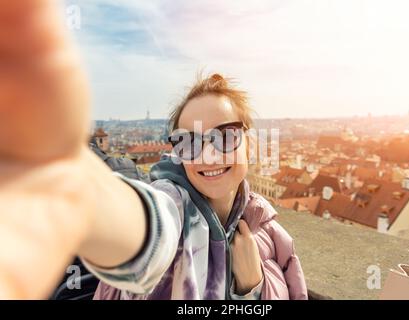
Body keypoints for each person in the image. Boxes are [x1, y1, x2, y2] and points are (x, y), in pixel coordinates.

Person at [0, 1, 307, 299]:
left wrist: (253, 285)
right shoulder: (174, 203)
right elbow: (149, 232)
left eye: (224, 136)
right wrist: (81, 192)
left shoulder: (269, 228)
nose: (208, 154)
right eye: (189, 141)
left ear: (249, 142)